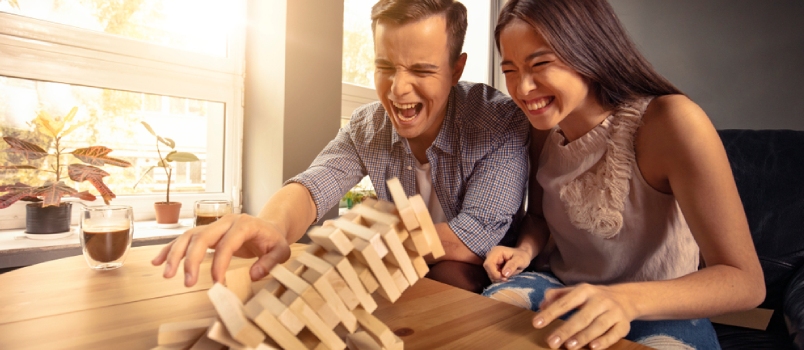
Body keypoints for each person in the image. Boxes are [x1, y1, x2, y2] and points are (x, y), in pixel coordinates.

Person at [152, 0, 529, 293]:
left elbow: (472, 237)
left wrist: (358, 242)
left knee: (448, 275)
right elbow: (316, 184)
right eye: (386, 66)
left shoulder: (500, 122)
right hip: (400, 272)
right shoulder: (368, 125)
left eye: (421, 70)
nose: (398, 89)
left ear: (456, 69)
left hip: (479, 279)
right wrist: (271, 225)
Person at [480, 0, 765, 349]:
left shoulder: (673, 122)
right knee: (487, 319)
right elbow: (538, 217)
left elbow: (746, 281)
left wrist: (624, 300)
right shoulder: (544, 126)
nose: (522, 89)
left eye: (540, 63)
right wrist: (523, 250)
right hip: (563, 291)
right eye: (509, 69)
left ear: (589, 51)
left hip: (660, 308)